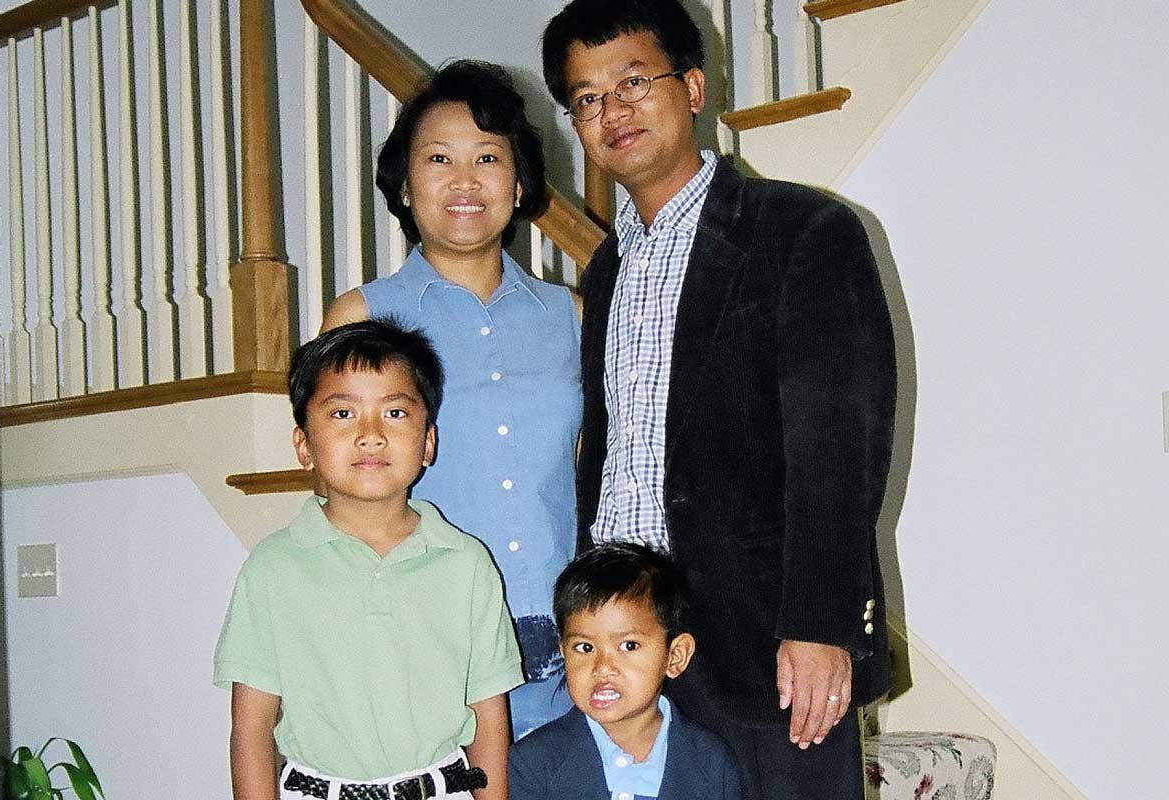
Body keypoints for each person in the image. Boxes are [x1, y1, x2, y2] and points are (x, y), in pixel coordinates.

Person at [541, 1, 898, 798]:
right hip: (635, 650)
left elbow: (840, 446)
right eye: (588, 98)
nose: (614, 110)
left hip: (767, 645)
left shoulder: (802, 231)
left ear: (693, 87)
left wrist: (819, 624)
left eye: (634, 80)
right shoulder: (604, 271)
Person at [322, 60, 580, 740]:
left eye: (488, 158)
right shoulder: (360, 317)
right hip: (423, 651)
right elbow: (338, 491)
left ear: (519, 182)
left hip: (570, 662)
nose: (465, 181)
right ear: (405, 186)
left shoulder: (574, 317)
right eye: (439, 158)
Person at [214, 320, 522, 800]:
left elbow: (490, 719)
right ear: (303, 446)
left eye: (395, 412)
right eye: (343, 414)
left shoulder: (466, 564)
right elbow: (251, 728)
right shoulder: (274, 567)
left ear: (428, 443)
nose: (371, 435)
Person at [509, 542, 741, 800]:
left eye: (628, 645)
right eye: (585, 647)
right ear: (563, 652)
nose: (603, 666)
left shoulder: (711, 763)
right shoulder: (533, 763)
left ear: (675, 656)